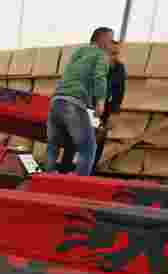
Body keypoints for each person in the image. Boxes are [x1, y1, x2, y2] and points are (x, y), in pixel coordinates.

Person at [46, 27, 114, 176]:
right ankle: (79, 185)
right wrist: (100, 102)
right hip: (73, 102)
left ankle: (46, 179)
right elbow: (99, 77)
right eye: (110, 41)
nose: (112, 45)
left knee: (53, 146)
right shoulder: (101, 55)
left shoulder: (79, 52)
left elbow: (71, 75)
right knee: (88, 148)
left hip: (57, 100)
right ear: (102, 40)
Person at [57, 39, 127, 173]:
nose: (114, 57)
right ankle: (65, 170)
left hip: (104, 107)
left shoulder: (119, 68)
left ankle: (89, 172)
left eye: (116, 54)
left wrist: (113, 114)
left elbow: (119, 93)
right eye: (111, 53)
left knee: (98, 140)